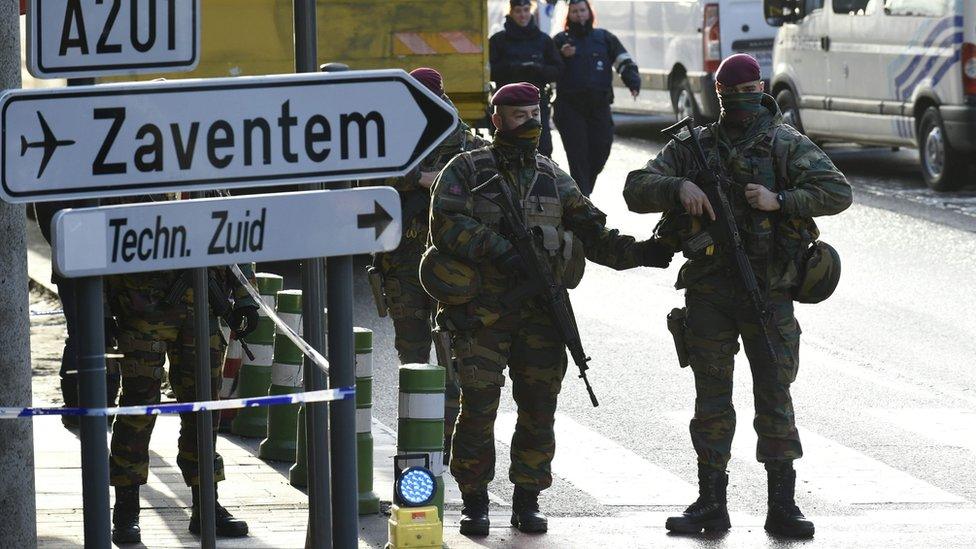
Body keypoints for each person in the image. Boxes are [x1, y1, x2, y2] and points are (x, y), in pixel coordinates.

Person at [424, 82, 672, 537]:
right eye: (519, 115)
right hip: (482, 314)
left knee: (539, 407)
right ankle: (475, 500)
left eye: (535, 113)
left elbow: (594, 233)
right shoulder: (467, 169)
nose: (530, 122)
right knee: (478, 406)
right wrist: (500, 250)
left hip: (541, 314)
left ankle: (527, 498)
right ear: (497, 119)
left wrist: (642, 252)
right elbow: (444, 223)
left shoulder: (552, 176)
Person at [623, 54, 852, 539]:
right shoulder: (694, 147)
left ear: (762, 87)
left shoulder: (785, 144)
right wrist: (678, 186)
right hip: (710, 291)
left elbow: (837, 192)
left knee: (775, 395)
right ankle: (711, 502)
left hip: (769, 291)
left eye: (750, 90)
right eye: (732, 93)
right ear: (719, 94)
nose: (742, 100)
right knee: (711, 399)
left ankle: (783, 505)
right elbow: (635, 188)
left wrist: (781, 201)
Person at [106, 218, 259, 544]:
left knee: (206, 409)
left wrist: (246, 296)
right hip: (142, 304)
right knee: (138, 404)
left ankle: (206, 504)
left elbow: (232, 226)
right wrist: (100, 310)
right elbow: (105, 233)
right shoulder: (136, 175)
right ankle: (126, 508)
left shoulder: (205, 172)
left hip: (202, 303)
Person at [365, 67, 488, 462]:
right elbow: (366, 175)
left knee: (452, 352)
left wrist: (441, 181)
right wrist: (419, 177)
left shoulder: (463, 139)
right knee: (413, 354)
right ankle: (417, 442)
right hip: (402, 263)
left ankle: (446, 440)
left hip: (451, 263)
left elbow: (485, 181)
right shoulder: (389, 135)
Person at [33, 201, 120, 429]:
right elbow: (49, 220)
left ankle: (103, 403)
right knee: (86, 334)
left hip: (106, 262)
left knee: (105, 335)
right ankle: (78, 406)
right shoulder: (57, 178)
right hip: (75, 264)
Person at [552, 0, 640, 196]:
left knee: (601, 149)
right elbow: (548, 69)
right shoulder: (560, 41)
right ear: (568, 15)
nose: (579, 15)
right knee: (578, 156)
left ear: (589, 12)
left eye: (582, 10)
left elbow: (623, 60)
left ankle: (580, 196)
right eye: (575, 11)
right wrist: (561, 55)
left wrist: (632, 81)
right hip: (570, 108)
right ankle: (582, 201)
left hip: (599, 105)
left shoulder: (604, 37)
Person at [489, 0, 562, 156]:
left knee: (542, 148)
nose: (522, 15)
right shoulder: (498, 40)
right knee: (507, 148)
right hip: (508, 104)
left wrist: (539, 69)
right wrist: (512, 67)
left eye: (526, 10)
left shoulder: (543, 40)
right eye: (518, 11)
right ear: (510, 12)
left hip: (536, 102)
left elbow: (558, 69)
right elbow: (488, 71)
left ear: (531, 10)